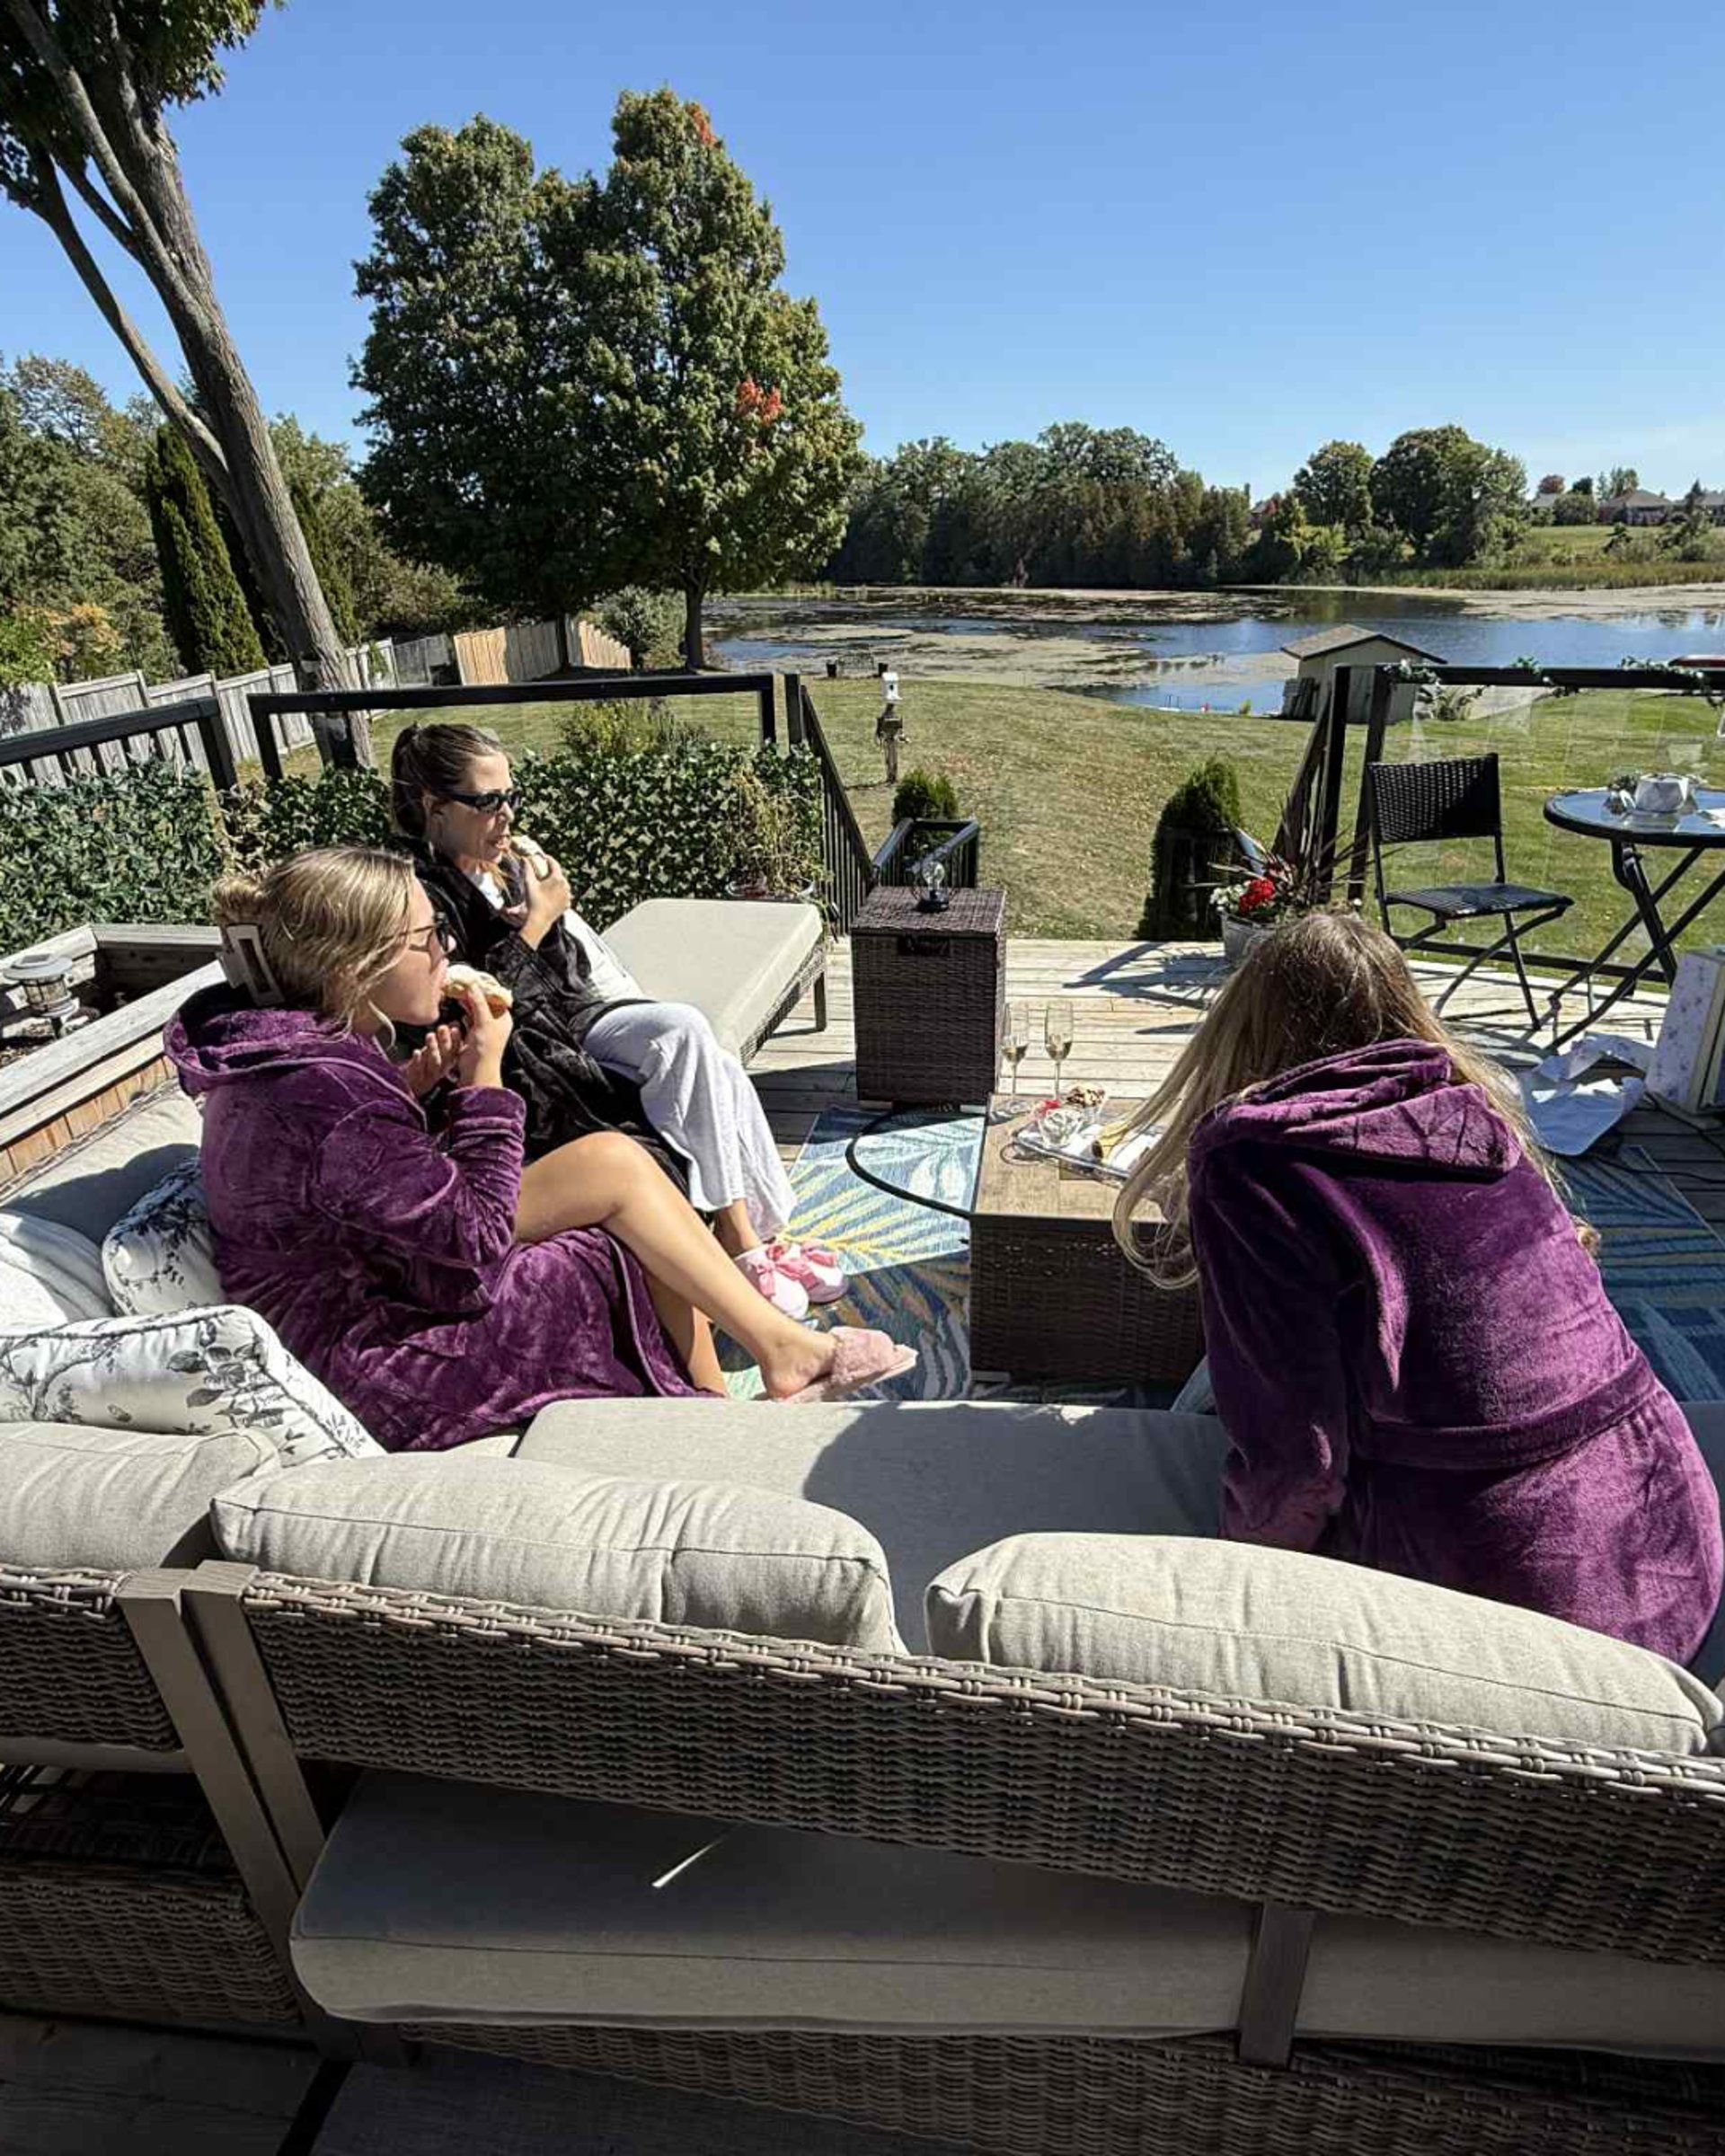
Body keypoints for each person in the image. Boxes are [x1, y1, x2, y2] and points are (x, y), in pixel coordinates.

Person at [1111, 908, 1721, 1665]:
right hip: (1671, 1528)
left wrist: (1220, 1577)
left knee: (1225, 1401)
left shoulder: (1254, 1164)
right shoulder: (1472, 1113)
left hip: (1528, 1600)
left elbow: (1298, 1471)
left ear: (1240, 1030)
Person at [166, 847, 913, 1453]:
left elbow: (359, 1184)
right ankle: (748, 1380)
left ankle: (746, 1378)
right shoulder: (322, 1089)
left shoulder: (297, 1058)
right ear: (354, 968)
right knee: (617, 1229)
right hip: (380, 1358)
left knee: (622, 1170)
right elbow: (473, 1235)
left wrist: (408, 1088)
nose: (445, 951)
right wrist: (484, 1078)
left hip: (381, 1282)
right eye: (427, 939)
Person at [390, 722, 846, 1322]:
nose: (507, 815)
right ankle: (743, 1245)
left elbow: (568, 970)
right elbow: (484, 1001)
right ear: (436, 808)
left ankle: (760, 1239)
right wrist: (538, 922)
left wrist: (547, 916)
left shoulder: (504, 869)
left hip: (575, 1016)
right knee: (683, 1034)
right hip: (535, 1051)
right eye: (488, 801)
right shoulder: (426, 895)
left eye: (511, 796)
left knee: (711, 1057)